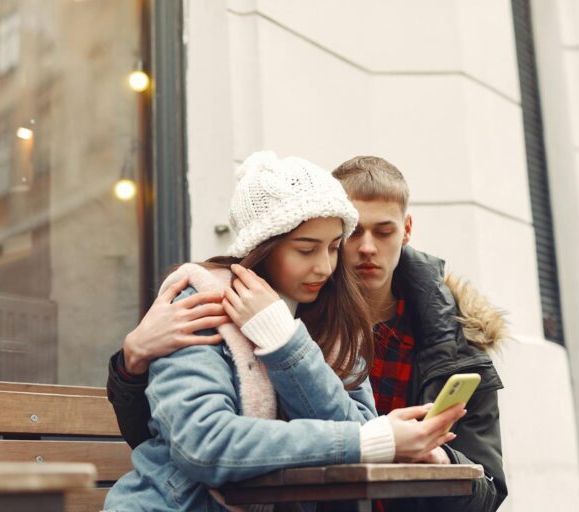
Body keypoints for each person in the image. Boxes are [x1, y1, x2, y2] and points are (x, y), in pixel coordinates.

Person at [103, 151, 464, 511]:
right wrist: (367, 438)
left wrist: (284, 342)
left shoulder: (339, 318)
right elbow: (204, 442)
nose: (325, 266)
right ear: (263, 247)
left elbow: (357, 433)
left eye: (335, 247)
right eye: (306, 249)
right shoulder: (202, 302)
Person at [332, 156, 507, 511]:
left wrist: (445, 464)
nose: (368, 247)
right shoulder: (297, 322)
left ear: (406, 230)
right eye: (353, 232)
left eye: (384, 232)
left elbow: (490, 492)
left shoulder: (457, 341)